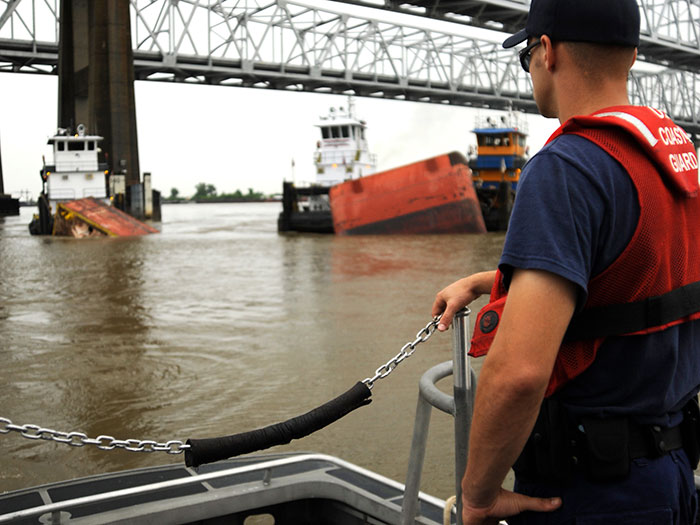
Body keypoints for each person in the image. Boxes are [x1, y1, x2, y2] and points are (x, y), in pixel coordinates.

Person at [432, 0, 700, 523]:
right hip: (670, 476)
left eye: (527, 54)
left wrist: (478, 495)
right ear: (632, 55)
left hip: (589, 494)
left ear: (546, 52)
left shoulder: (565, 169)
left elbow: (518, 375)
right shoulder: (674, 159)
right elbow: (638, 276)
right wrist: (494, 279)